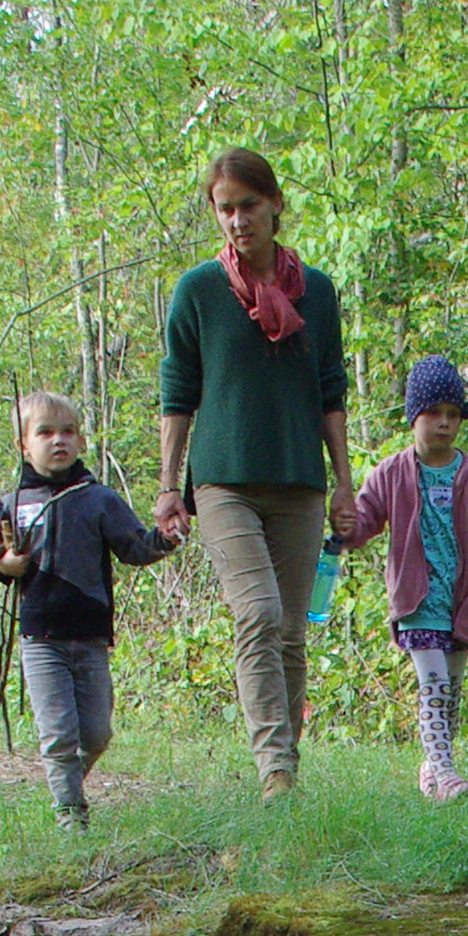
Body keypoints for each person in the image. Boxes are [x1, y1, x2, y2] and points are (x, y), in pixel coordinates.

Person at [156, 148, 356, 797]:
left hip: (299, 479)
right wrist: (167, 487)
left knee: (292, 632)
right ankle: (275, 769)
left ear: (275, 206)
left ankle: (285, 774)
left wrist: (345, 483)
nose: (238, 220)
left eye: (248, 205)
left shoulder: (318, 293)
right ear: (215, 214)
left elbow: (331, 392)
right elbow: (177, 392)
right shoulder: (198, 292)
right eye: (225, 208)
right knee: (259, 613)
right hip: (222, 483)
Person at [0, 391, 178, 825]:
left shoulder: (98, 499)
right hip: (41, 637)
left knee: (96, 733)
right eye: (45, 432)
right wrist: (7, 565)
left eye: (68, 431)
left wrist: (164, 539)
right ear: (23, 445)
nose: (59, 441)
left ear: (80, 440)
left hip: (90, 637)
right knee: (58, 733)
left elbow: (134, 547)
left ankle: (67, 782)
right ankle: (70, 812)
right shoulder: (12, 502)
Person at [349, 356, 468, 802]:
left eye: (453, 415)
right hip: (417, 602)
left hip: (458, 605)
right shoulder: (392, 472)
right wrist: (343, 527)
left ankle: (432, 771)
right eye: (434, 413)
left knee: (450, 694)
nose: (444, 424)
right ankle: (448, 774)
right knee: (433, 685)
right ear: (414, 416)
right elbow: (364, 520)